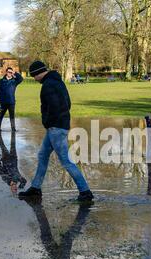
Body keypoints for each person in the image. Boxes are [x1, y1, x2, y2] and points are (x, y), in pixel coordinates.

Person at [18, 61, 94, 202]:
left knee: (66, 160)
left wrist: (48, 122)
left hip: (56, 127)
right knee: (42, 155)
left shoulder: (48, 85)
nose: (34, 79)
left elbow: (53, 107)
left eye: (34, 75)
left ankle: (85, 191)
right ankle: (36, 188)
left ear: (39, 73)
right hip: (58, 126)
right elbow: (68, 103)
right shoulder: (57, 82)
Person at [0, 67, 23, 131]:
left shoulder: (14, 81)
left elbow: (21, 79)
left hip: (11, 101)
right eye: (9, 72)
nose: (10, 73)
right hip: (3, 101)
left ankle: (13, 128)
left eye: (11, 72)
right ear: (6, 72)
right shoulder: (1, 81)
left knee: (12, 116)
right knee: (1, 115)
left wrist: (15, 73)